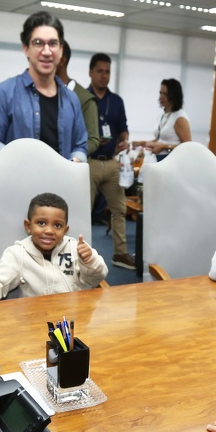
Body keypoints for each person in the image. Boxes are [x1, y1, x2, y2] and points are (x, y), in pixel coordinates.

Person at [0, 11, 87, 162]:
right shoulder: (3, 93)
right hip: (17, 184)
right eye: (38, 43)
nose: (46, 51)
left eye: (53, 43)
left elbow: (80, 145)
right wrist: (24, 163)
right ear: (26, 49)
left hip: (61, 184)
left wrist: (76, 160)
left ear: (61, 49)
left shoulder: (71, 99)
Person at [0, 192, 107, 304]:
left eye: (57, 225)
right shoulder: (18, 254)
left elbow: (95, 279)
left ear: (65, 230)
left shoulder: (76, 248)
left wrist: (89, 261)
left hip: (75, 315)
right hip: (37, 320)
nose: (49, 231)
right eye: (41, 223)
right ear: (28, 226)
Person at [86, 52, 134, 270]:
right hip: (89, 162)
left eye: (107, 72)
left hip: (112, 162)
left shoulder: (116, 101)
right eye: (100, 71)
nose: (104, 76)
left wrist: (123, 141)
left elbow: (123, 130)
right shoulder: (82, 99)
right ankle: (82, 256)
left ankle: (120, 253)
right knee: (82, 211)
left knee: (119, 210)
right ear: (91, 72)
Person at [56, 40, 100, 157]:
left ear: (62, 59)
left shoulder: (85, 99)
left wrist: (72, 155)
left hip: (70, 165)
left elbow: (93, 140)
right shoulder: (38, 93)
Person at [146, 78, 190, 160]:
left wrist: (164, 147)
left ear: (174, 96)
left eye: (165, 94)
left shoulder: (180, 118)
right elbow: (161, 139)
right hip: (159, 159)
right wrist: (142, 143)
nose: (161, 97)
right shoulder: (164, 115)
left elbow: (188, 147)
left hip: (173, 162)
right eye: (160, 93)